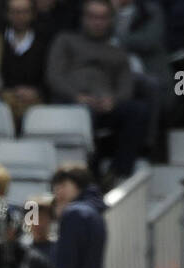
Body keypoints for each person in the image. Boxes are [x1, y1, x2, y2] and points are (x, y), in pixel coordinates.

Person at [44, 0, 150, 180]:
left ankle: (118, 173)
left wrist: (114, 101)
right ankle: (89, 177)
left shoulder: (117, 51)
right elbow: (54, 76)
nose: (97, 22)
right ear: (84, 18)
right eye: (92, 17)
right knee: (85, 113)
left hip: (105, 104)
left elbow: (126, 85)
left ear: (110, 20)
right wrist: (77, 96)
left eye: (102, 17)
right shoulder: (66, 40)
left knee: (138, 110)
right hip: (71, 102)